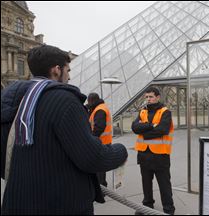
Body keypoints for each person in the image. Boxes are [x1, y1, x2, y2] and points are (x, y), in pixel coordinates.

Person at [1, 45, 128, 215]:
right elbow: (92, 157)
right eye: (68, 70)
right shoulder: (64, 100)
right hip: (60, 204)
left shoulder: (11, 99)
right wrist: (120, 151)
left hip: (17, 202)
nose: (69, 77)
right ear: (56, 70)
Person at [132, 87, 175, 215]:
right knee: (146, 183)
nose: (148, 99)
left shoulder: (165, 112)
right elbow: (134, 127)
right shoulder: (143, 111)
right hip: (144, 154)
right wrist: (151, 126)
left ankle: (168, 209)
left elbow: (163, 129)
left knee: (164, 184)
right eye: (146, 97)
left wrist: (144, 133)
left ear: (157, 97)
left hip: (160, 155)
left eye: (151, 97)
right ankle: (147, 205)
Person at [87, 93, 112, 188]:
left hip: (101, 142)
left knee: (100, 168)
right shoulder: (100, 107)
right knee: (101, 167)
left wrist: (90, 139)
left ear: (91, 101)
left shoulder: (99, 110)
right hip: (104, 141)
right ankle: (101, 186)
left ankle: (101, 188)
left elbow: (99, 128)